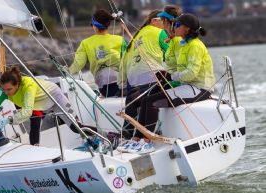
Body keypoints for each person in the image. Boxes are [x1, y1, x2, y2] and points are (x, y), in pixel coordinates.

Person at [118, 13, 215, 154]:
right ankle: (136, 139)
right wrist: (166, 70)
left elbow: (191, 74)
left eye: (177, 25)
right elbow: (170, 65)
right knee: (145, 100)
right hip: (185, 86)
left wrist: (170, 75)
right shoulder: (180, 43)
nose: (173, 27)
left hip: (199, 88)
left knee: (152, 102)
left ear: (186, 29)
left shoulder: (195, 46)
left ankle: (147, 141)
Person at [0, 67, 86, 145]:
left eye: (9, 89)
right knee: (34, 125)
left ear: (17, 84)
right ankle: (36, 150)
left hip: (54, 97)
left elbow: (26, 111)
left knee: (76, 128)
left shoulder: (28, 85)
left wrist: (8, 120)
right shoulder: (4, 91)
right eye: (4, 89)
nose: (6, 92)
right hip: (36, 104)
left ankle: (98, 137)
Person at [119, 9, 168, 140]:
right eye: (163, 21)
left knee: (133, 101)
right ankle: (146, 137)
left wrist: (121, 83)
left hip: (132, 81)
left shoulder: (135, 36)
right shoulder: (159, 32)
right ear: (153, 21)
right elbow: (172, 53)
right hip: (150, 78)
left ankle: (127, 136)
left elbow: (124, 61)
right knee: (151, 100)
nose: (165, 24)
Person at [68, 9, 125, 97]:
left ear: (94, 26)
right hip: (121, 79)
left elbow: (78, 63)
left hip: (103, 80)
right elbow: (127, 59)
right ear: (108, 25)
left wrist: (67, 72)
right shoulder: (120, 39)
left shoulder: (85, 43)